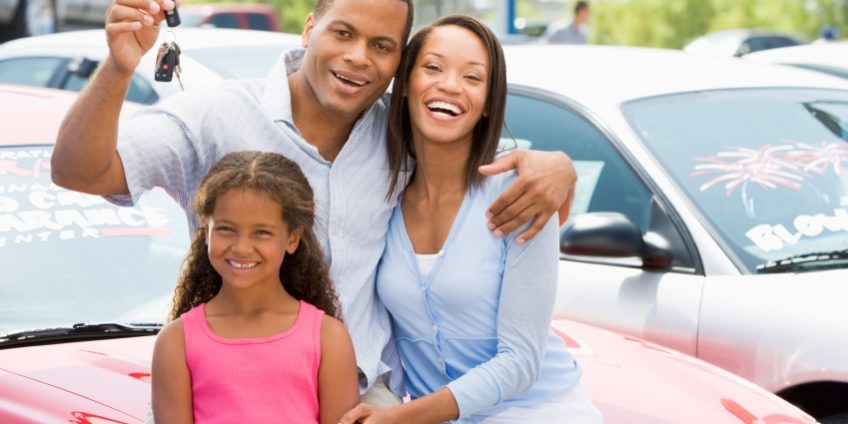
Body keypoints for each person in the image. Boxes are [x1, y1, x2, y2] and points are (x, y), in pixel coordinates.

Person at [52, 0, 577, 404]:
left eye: (381, 45)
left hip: (358, 398)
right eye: (343, 33)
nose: (357, 57)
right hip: (229, 386)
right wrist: (119, 67)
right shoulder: (217, 115)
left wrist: (559, 166)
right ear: (309, 29)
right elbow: (80, 172)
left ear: (397, 61)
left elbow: (476, 153)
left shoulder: (400, 131)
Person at [340, 15, 601, 424]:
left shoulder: (520, 193)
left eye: (473, 77)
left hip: (540, 413)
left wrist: (401, 417)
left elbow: (520, 362)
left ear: (487, 105)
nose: (450, 85)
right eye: (433, 67)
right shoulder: (382, 197)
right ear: (405, 83)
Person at [151, 151, 360, 423]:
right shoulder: (175, 342)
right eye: (226, 229)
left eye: (262, 232)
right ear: (206, 229)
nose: (241, 248)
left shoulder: (328, 338)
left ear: (292, 239)